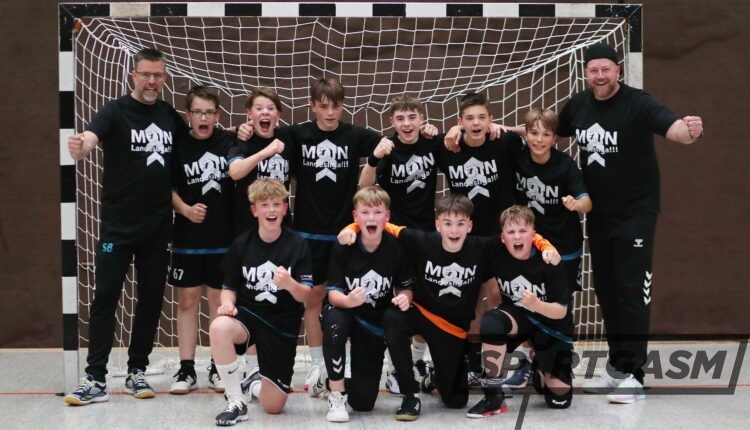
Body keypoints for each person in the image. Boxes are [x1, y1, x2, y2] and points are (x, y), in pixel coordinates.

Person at [555, 43, 704, 403]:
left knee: (631, 292)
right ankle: (618, 367)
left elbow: (676, 131)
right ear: (586, 73)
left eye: (606, 69)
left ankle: (635, 375)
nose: (600, 76)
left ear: (618, 71)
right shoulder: (578, 105)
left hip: (635, 214)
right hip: (599, 214)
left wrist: (692, 130)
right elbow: (544, 131)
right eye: (593, 70)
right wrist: (499, 129)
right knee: (607, 292)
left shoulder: (639, 103)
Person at [337, 193, 558, 421]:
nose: (454, 230)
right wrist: (352, 228)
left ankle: (436, 376)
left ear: (469, 226)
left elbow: (516, 234)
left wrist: (545, 245)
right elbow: (382, 224)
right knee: (393, 316)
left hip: (451, 329)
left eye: (460, 224)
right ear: (438, 225)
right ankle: (410, 394)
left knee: (456, 401)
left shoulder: (482, 247)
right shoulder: (422, 241)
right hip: (421, 313)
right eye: (448, 223)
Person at [64, 47, 189, 406]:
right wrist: (82, 146)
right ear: (133, 75)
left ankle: (137, 371)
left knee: (150, 300)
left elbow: (198, 141)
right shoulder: (115, 111)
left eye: (158, 75)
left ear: (164, 78)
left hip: (158, 227)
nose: (152, 81)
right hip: (118, 226)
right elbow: (91, 137)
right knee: (105, 297)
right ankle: (95, 378)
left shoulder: (169, 116)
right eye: (145, 74)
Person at [269, 77, 394, 395]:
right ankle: (317, 365)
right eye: (323, 106)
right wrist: (240, 130)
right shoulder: (297, 134)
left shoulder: (355, 135)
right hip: (307, 232)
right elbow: (261, 133)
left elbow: (396, 140)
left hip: (345, 233)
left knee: (347, 299)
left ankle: (344, 362)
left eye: (335, 106)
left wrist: (430, 132)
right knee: (312, 299)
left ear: (342, 106)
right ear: (313, 106)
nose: (329, 112)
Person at [501, 107, 592, 390]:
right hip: (528, 246)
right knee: (526, 301)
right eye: (534, 133)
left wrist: (576, 204)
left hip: (563, 248)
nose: (539, 139)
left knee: (559, 306)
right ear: (526, 135)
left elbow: (587, 201)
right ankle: (532, 361)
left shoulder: (565, 165)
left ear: (555, 139)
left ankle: (560, 360)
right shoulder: (517, 157)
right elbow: (500, 132)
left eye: (546, 134)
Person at [210, 178, 313, 426]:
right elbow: (228, 287)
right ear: (254, 210)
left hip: (282, 326)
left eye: (277, 204)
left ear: (285, 209)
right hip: (250, 316)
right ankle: (236, 400)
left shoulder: (298, 245)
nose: (271, 210)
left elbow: (306, 296)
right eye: (264, 205)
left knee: (273, 406)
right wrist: (227, 304)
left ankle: (253, 384)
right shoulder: (241, 244)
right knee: (219, 326)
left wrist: (290, 284)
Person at [357, 94, 439, 396]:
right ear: (392, 121)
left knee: (426, 301)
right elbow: (363, 186)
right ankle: (395, 368)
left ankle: (417, 361)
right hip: (394, 236)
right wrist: (373, 158)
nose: (406, 123)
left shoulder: (431, 143)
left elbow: (459, 143)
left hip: (427, 235)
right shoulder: (386, 148)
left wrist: (449, 132)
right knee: (396, 302)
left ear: (421, 119)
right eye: (400, 118)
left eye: (412, 117)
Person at [467, 205, 574, 418]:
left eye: (523, 231)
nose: (517, 236)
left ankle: (540, 369)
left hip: (550, 323)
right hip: (518, 315)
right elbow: (464, 243)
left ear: (533, 235)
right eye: (511, 231)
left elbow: (561, 312)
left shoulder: (549, 259)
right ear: (503, 237)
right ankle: (493, 396)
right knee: (491, 323)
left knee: (558, 398)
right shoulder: (496, 252)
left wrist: (536, 304)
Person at [320, 186, 415, 422]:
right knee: (333, 319)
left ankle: (328, 379)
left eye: (377, 212)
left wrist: (405, 297)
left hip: (372, 322)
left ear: (387, 216)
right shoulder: (343, 246)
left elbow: (405, 288)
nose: (371, 218)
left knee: (363, 403)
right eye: (365, 212)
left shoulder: (397, 248)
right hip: (346, 312)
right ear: (355, 217)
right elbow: (333, 295)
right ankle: (336, 394)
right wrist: (348, 300)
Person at [168, 86, 236, 395]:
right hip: (188, 237)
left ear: (218, 115)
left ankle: (218, 367)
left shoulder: (228, 141)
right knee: (187, 300)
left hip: (223, 237)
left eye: (209, 112)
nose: (204, 118)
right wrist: (184, 209)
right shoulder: (178, 145)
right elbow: (167, 188)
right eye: (198, 112)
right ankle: (186, 369)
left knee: (219, 303)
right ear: (188, 115)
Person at [228, 87, 294, 235]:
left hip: (282, 225)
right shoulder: (242, 140)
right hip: (249, 226)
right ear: (249, 113)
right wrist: (266, 152)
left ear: (278, 114)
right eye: (259, 108)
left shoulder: (288, 137)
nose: (265, 112)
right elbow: (235, 172)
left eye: (270, 108)